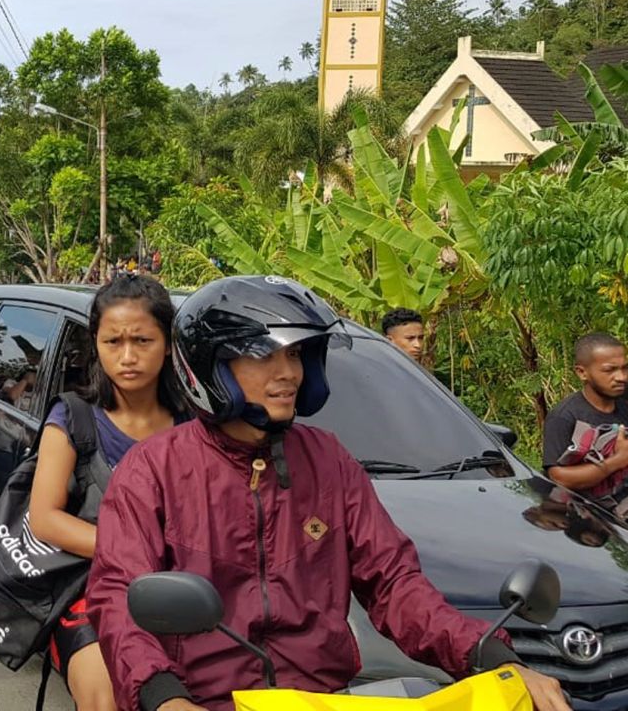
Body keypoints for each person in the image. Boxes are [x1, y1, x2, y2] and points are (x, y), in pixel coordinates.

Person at [85, 276, 568, 711]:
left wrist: (491, 655)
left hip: (319, 698)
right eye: (263, 356)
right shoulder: (155, 468)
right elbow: (120, 595)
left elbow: (393, 582)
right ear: (211, 368)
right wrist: (163, 696)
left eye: (295, 355)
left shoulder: (327, 460)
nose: (288, 374)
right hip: (203, 699)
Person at [27, 275, 185, 711]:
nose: (128, 356)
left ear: (168, 343)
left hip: (185, 591)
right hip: (90, 593)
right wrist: (136, 554)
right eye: (113, 341)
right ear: (95, 343)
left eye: (142, 340)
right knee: (107, 693)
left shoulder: (195, 425)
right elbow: (45, 517)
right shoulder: (73, 417)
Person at [543, 333, 628, 494]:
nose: (621, 377)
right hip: (586, 514)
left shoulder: (624, 403)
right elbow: (559, 477)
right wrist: (617, 461)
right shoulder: (564, 417)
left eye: (625, 368)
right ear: (582, 372)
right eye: (609, 370)